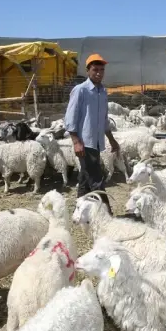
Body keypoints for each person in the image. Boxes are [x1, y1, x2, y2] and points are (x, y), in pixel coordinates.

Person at [64, 53, 120, 214]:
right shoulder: (80, 90)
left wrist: (112, 140)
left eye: (102, 70)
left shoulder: (102, 92)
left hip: (96, 142)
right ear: (88, 70)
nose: (99, 73)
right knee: (97, 179)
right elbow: (70, 118)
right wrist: (76, 141)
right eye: (95, 69)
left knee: (85, 177)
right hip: (84, 142)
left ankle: (79, 211)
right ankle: (107, 214)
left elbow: (103, 119)